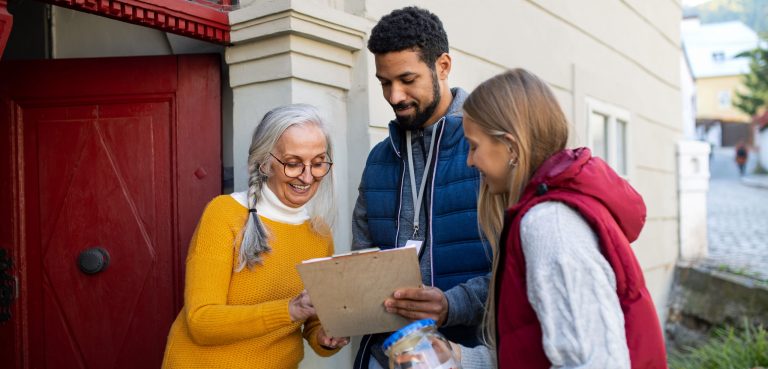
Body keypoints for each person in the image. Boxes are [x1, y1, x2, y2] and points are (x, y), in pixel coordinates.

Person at [462, 69, 668, 368]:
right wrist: (460, 358)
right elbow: (534, 350)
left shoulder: (550, 225)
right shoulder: (547, 213)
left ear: (510, 146)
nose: (469, 161)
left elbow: (595, 361)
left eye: (473, 146)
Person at [352, 6, 492, 369]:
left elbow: (516, 270)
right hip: (386, 357)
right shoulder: (378, 160)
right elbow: (363, 262)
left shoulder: (488, 149)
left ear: (442, 66)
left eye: (407, 79)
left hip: (470, 355)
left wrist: (451, 305)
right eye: (385, 82)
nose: (395, 95)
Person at [162, 104, 349, 368]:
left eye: (318, 163)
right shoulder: (224, 213)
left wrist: (325, 337)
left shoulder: (319, 233)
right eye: (293, 164)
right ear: (264, 162)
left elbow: (311, 321)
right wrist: (289, 310)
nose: (308, 177)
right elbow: (201, 322)